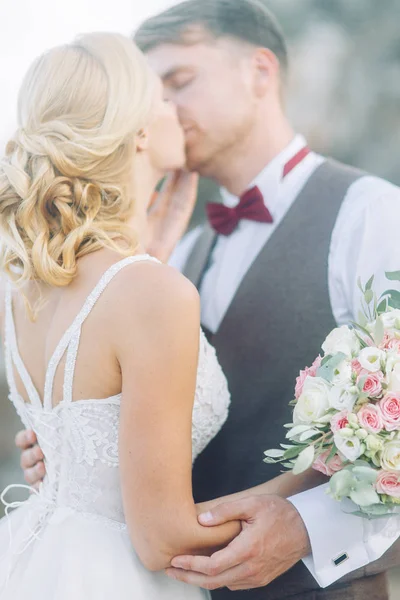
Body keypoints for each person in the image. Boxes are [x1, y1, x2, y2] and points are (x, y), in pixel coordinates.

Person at [17, 1, 400, 599]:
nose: (164, 107)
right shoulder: (177, 254)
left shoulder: (372, 214)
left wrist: (310, 525)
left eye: (179, 81)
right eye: (153, 91)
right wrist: (70, 441)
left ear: (259, 72)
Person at [0, 31, 245, 599]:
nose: (175, 110)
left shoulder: (24, 292)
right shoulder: (152, 294)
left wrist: (148, 251)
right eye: (164, 96)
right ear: (138, 129)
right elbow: (163, 540)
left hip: (37, 564)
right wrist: (312, 494)